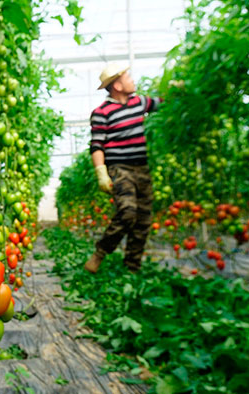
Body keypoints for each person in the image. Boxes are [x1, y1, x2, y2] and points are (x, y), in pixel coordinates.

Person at [84, 63, 162, 273]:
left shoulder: (139, 102)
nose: (132, 80)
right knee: (127, 213)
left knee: (143, 220)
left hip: (142, 169)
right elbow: (97, 145)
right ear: (117, 85)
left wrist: (177, 89)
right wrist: (101, 172)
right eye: (128, 77)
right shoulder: (101, 112)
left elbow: (162, 104)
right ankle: (100, 253)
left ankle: (132, 268)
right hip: (120, 169)